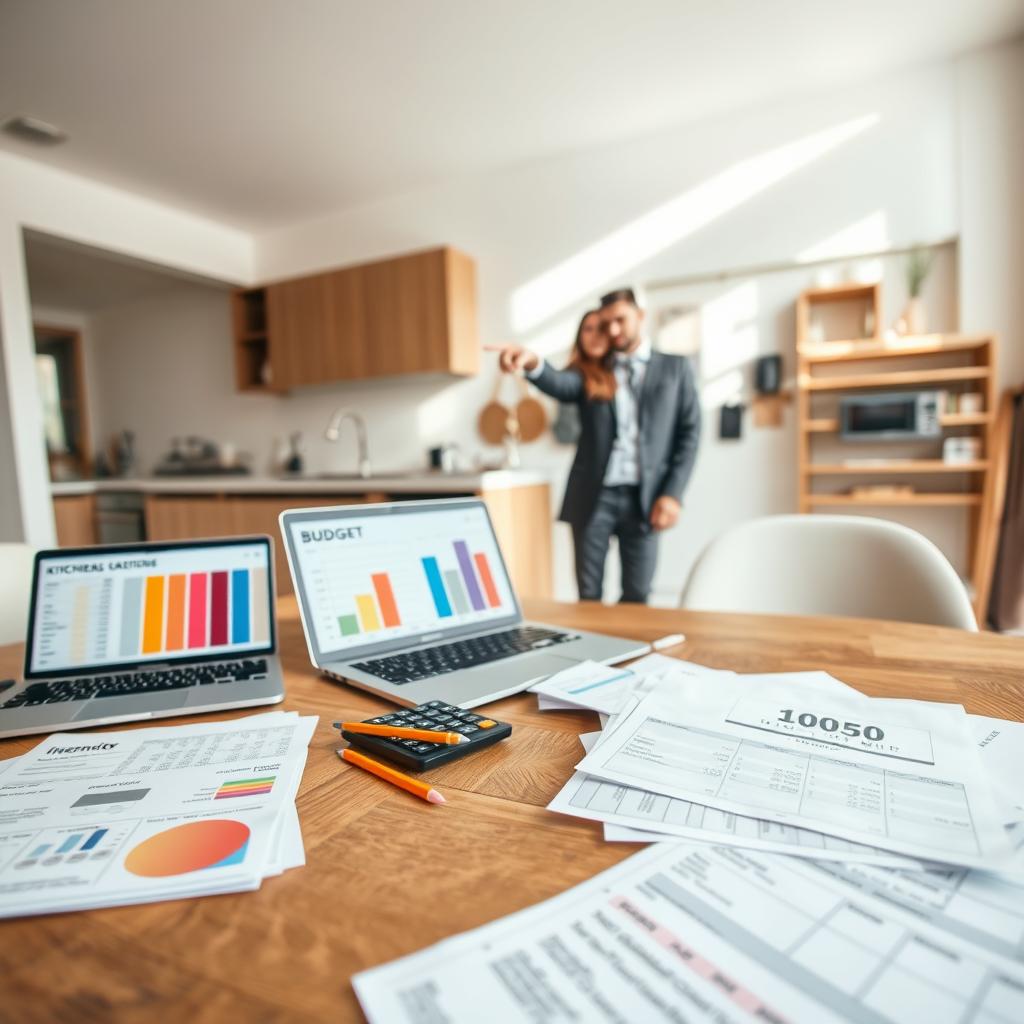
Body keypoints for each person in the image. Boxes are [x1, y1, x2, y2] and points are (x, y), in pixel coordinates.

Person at [492, 288, 701, 603]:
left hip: (646, 499)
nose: (613, 331)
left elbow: (690, 434)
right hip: (594, 497)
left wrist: (673, 494)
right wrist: (532, 361)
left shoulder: (675, 368)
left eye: (620, 320)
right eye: (606, 324)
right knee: (588, 594)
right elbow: (560, 383)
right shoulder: (592, 373)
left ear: (640, 316)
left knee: (638, 594)